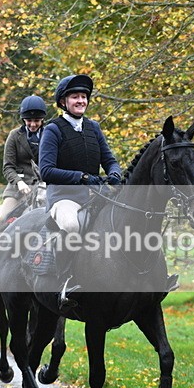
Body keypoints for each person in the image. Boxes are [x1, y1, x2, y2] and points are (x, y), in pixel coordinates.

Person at [38, 74, 122, 309]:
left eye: (83, 96)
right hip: (63, 198)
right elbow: (46, 170)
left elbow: (109, 159)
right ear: (64, 102)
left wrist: (115, 173)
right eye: (75, 96)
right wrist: (82, 177)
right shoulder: (53, 130)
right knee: (73, 226)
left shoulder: (93, 128)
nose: (81, 100)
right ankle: (67, 281)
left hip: (95, 196)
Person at [0, 94, 46, 227]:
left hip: (44, 188)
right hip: (19, 189)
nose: (33, 124)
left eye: (37, 120)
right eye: (29, 120)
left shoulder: (50, 135)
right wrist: (19, 182)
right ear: (23, 119)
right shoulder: (14, 136)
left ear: (42, 119)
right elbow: (8, 167)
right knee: (1, 220)